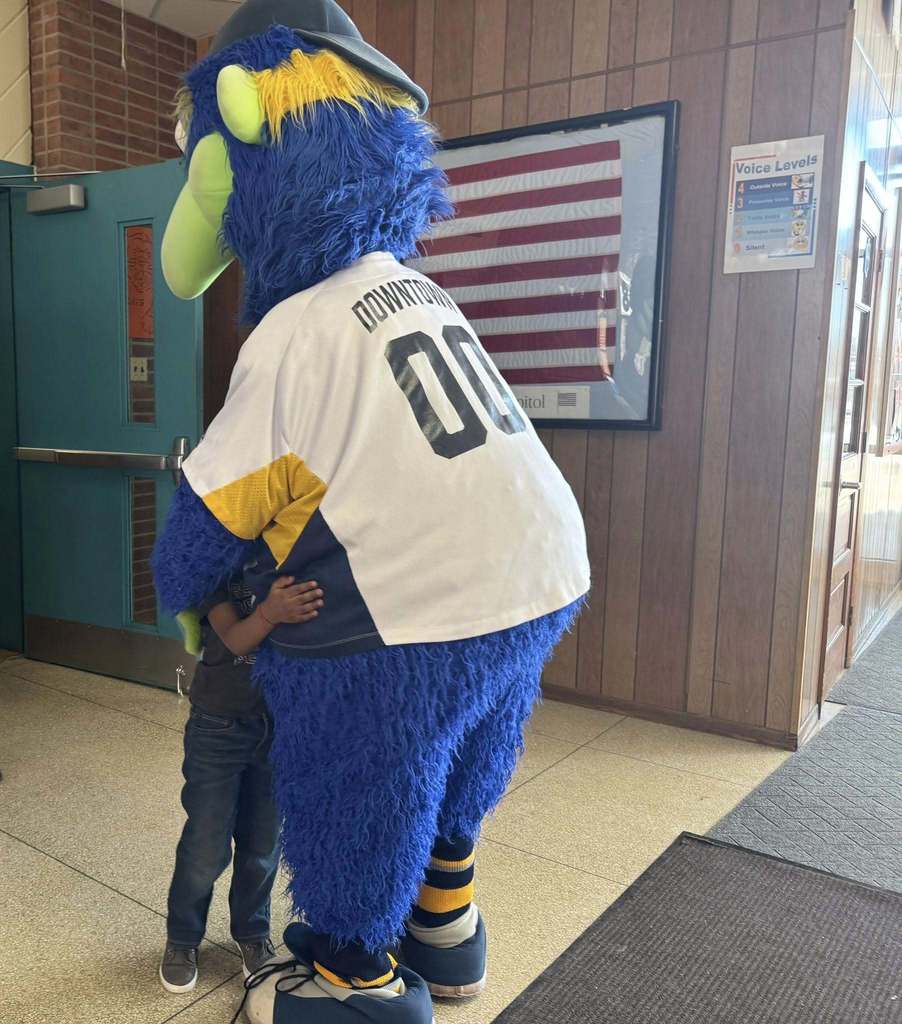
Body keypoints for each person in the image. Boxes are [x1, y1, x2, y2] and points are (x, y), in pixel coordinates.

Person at [159, 572, 324, 994]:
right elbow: (233, 638)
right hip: (219, 725)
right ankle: (182, 939)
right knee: (205, 845)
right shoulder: (216, 560)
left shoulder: (298, 556)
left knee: (262, 843)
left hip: (282, 727)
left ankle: (252, 933)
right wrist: (272, 611)